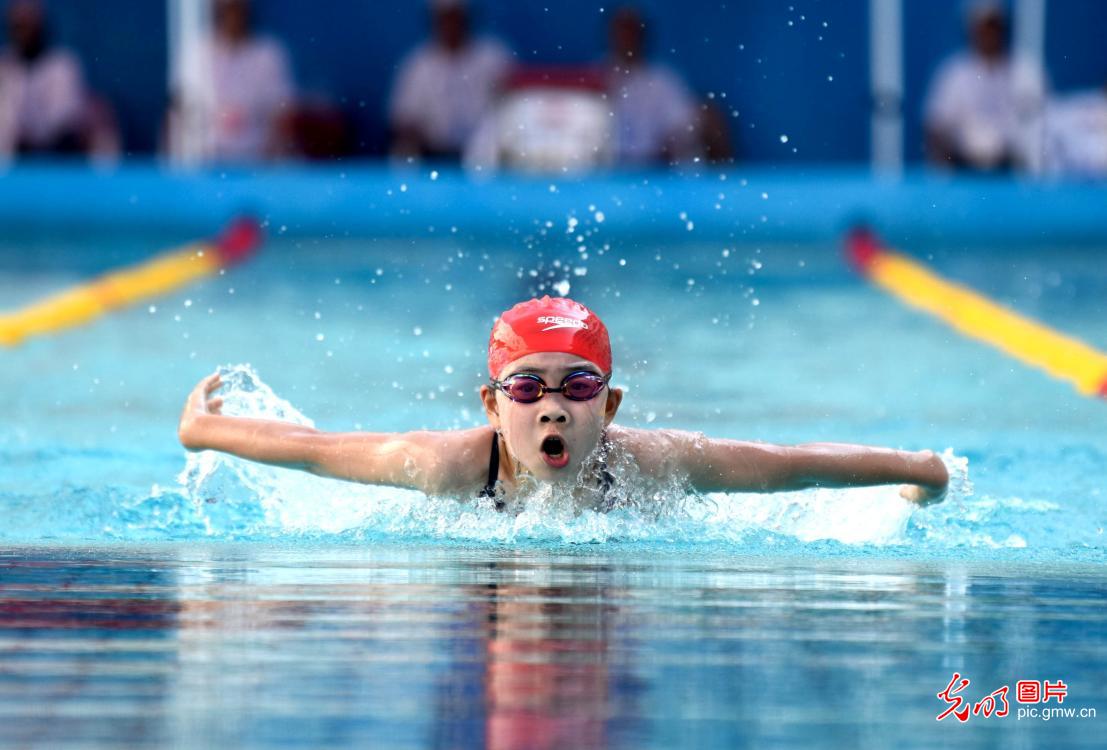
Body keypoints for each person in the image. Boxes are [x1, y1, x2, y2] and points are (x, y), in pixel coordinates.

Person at [178, 296, 949, 510]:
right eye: (527, 388)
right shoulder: (446, 466)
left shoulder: (652, 464)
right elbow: (314, 451)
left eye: (577, 387)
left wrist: (916, 469)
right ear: (492, 406)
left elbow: (786, 467)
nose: (551, 408)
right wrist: (203, 430)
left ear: (607, 408)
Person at [923, 1, 1046, 171]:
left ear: (1003, 29)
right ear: (972, 30)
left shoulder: (1025, 71)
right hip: (964, 169)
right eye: (982, 28)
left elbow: (1041, 124)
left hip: (1011, 169)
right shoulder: (953, 73)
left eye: (993, 27)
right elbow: (936, 126)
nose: (988, 34)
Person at [169, 0, 295, 163]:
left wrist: (269, 162)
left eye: (237, 9)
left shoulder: (268, 53)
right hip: (207, 158)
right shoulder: (197, 52)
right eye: (227, 10)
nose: (232, 17)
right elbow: (179, 108)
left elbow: (282, 112)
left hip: (256, 158)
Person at [389, 0, 512, 162]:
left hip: (485, 155)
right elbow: (403, 118)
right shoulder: (418, 63)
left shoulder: (493, 57)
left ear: (467, 19)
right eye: (444, 19)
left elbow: (513, 109)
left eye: (455, 18)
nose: (450, 25)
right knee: (403, 153)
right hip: (433, 155)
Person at [604, 6, 699, 166]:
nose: (625, 39)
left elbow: (681, 131)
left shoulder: (663, 80)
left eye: (631, 32)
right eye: (620, 32)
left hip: (654, 170)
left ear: (642, 36)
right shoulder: (596, 75)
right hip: (606, 170)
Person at [0, 0, 90, 158]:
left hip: (57, 154)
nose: (23, 34)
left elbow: (64, 121)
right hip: (12, 157)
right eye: (18, 27)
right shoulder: (4, 65)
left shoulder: (62, 65)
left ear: (41, 26)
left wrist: (31, 138)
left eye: (28, 26)